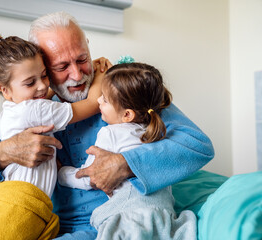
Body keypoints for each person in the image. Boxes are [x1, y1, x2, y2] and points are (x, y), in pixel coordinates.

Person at [0, 12, 214, 239]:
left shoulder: (124, 92)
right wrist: (4, 152)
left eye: (82, 59)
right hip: (59, 229)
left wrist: (127, 164)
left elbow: (196, 144)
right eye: (61, 67)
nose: (77, 74)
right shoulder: (34, 108)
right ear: (44, 69)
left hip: (121, 222)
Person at [0, 33, 108, 239]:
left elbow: (43, 97)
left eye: (44, 75)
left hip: (12, 205)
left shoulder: (12, 110)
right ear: (5, 90)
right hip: (19, 208)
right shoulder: (38, 111)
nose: (42, 86)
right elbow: (93, 104)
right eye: (30, 82)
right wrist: (100, 73)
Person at [58, 62, 197, 239]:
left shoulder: (110, 134)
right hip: (163, 214)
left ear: (127, 115)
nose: (98, 101)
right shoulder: (155, 130)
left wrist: (61, 173)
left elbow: (90, 177)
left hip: (130, 217)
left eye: (105, 99)